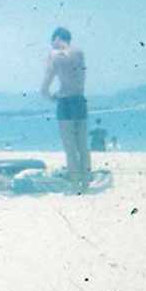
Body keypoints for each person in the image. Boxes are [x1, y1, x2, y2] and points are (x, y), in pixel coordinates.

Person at [40, 27, 91, 193]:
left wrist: (51, 97)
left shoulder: (54, 55)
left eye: (52, 41)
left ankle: (76, 184)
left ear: (57, 38)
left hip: (65, 102)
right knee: (82, 145)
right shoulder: (79, 52)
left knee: (70, 148)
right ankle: (86, 183)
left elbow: (44, 88)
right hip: (79, 99)